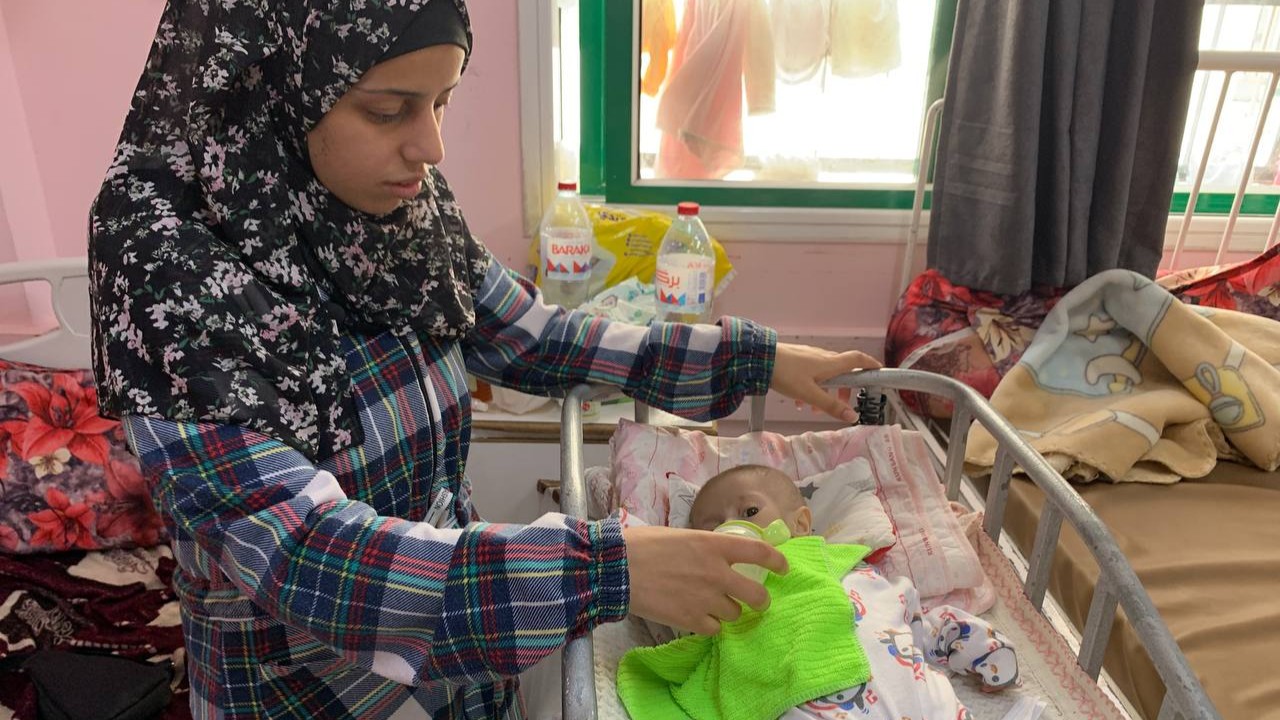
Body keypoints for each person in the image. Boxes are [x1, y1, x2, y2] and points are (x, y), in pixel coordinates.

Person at [86, 1, 880, 718]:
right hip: (303, 681)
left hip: (452, 645)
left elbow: (537, 337)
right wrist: (602, 569)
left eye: (441, 102)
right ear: (274, 94)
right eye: (389, 109)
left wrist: (751, 360)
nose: (429, 145)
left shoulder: (401, 212)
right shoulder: (167, 277)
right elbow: (305, 556)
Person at [664, 465, 1022, 720]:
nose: (732, 526)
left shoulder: (850, 568)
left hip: (913, 700)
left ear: (800, 525)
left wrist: (978, 647)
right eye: (714, 528)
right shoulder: (720, 599)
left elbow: (909, 622)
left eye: (750, 511)